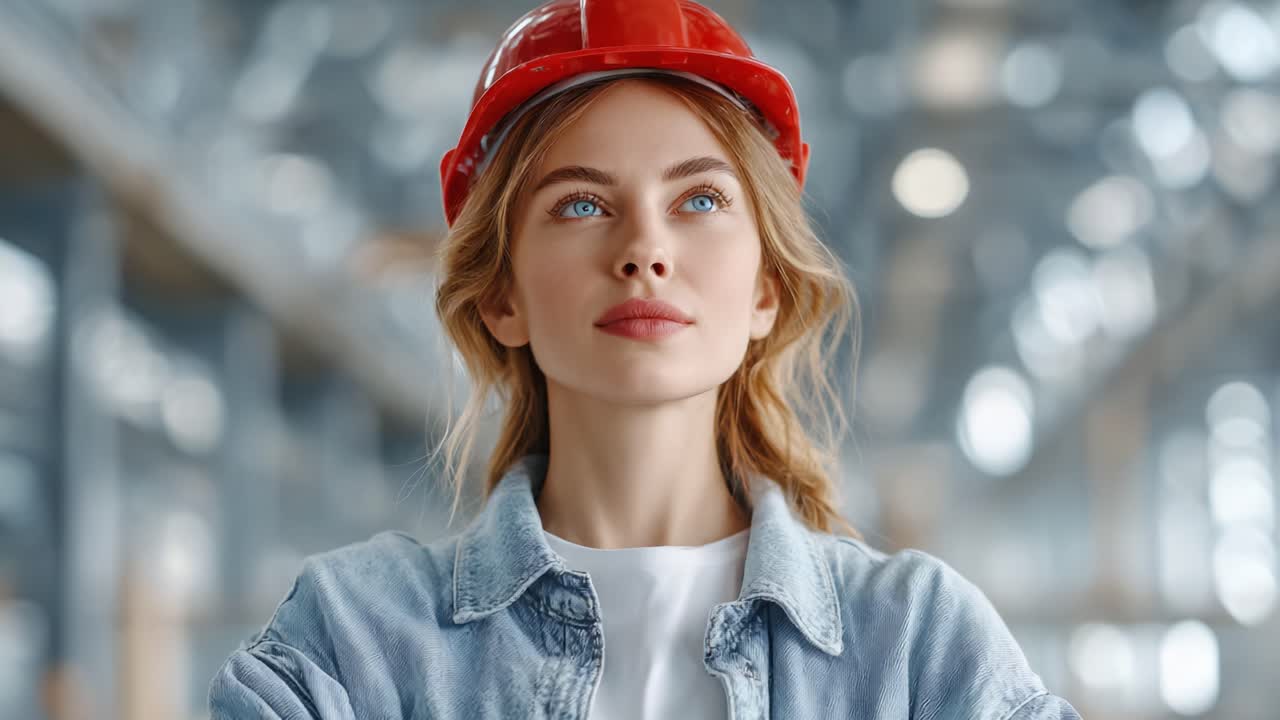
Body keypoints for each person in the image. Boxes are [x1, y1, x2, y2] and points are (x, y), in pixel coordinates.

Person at [208, 1, 1082, 718]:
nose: (645, 252)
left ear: (765, 291)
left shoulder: (921, 651)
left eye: (699, 198)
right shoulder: (351, 650)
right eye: (582, 205)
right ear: (501, 297)